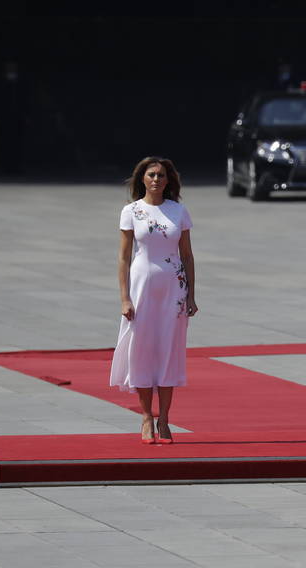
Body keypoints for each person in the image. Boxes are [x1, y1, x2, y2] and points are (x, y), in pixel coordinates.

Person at [109, 157, 197, 445]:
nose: (157, 179)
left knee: (169, 351)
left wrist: (192, 295)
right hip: (141, 287)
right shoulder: (131, 211)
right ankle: (146, 416)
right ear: (142, 179)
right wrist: (124, 297)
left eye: (161, 175)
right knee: (143, 349)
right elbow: (123, 257)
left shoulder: (178, 212)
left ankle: (165, 418)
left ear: (169, 180)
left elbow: (186, 255)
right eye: (152, 175)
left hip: (173, 287)